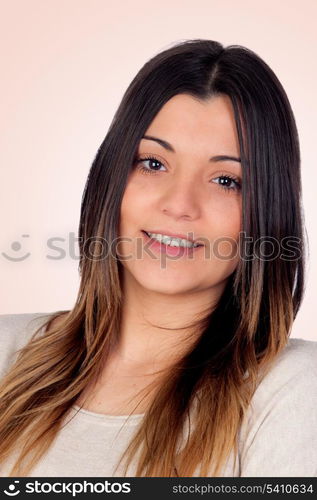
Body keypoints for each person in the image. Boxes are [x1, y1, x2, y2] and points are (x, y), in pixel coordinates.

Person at [0, 38, 316, 478]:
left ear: (266, 211)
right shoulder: (6, 352)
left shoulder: (295, 391)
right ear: (112, 178)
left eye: (226, 180)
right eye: (153, 163)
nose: (180, 204)